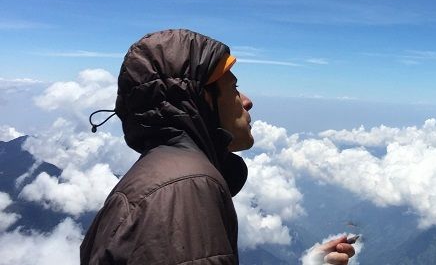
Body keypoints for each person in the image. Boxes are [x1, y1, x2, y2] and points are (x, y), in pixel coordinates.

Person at [80, 29, 356, 265]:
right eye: (233, 88)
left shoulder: (162, 178)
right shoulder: (186, 190)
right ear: (201, 100)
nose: (247, 101)